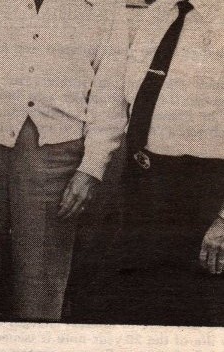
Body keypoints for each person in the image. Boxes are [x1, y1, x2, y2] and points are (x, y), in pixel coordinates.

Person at [0, 0, 128, 321]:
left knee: (40, 282)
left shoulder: (105, 6)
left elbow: (109, 96)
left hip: (56, 153)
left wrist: (91, 167)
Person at [102, 0, 224, 326]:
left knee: (201, 313)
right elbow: (130, 92)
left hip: (206, 190)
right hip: (145, 183)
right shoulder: (158, 13)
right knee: (144, 302)